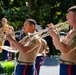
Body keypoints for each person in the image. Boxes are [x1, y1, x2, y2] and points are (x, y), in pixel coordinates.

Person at [47, 6, 76, 75]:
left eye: (69, 15)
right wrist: (55, 35)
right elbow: (58, 46)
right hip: (65, 66)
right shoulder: (72, 31)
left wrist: (56, 36)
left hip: (71, 67)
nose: (67, 18)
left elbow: (65, 50)